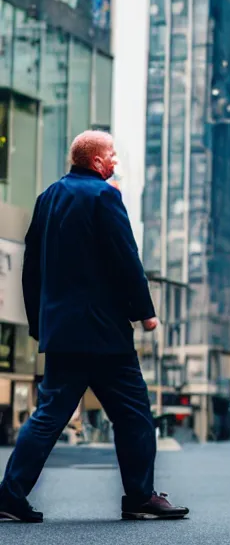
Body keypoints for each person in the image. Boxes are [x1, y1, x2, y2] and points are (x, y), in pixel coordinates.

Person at [0, 131, 189, 523]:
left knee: (48, 415)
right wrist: (145, 312)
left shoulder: (48, 197)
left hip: (63, 333)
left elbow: (31, 267)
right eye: (113, 155)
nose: (116, 162)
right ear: (97, 160)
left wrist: (40, 323)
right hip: (103, 335)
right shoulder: (105, 196)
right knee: (134, 414)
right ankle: (140, 495)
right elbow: (126, 257)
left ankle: (9, 495)